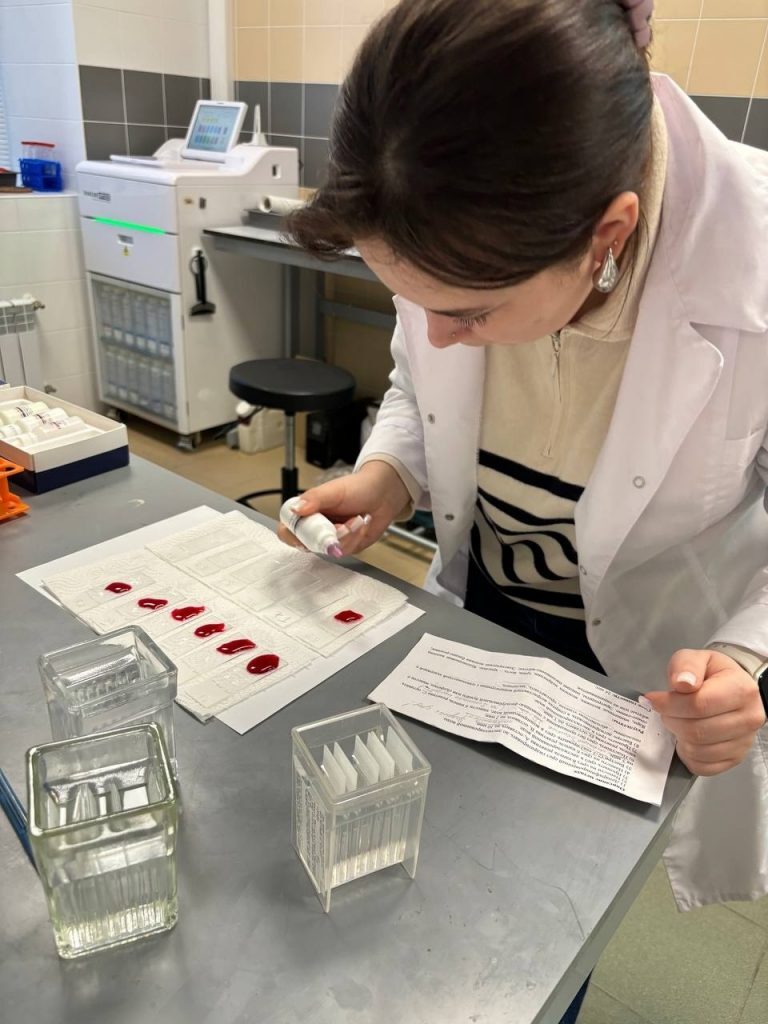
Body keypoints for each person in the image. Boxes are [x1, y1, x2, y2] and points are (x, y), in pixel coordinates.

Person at [280, 1, 768, 1017]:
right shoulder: (454, 217)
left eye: (472, 311)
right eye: (421, 301)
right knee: (437, 879)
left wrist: (745, 659)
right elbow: (418, 381)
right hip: (485, 621)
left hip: (646, 666)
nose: (441, 335)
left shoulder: (755, 259)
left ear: (607, 236)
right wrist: (392, 472)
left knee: (544, 932)